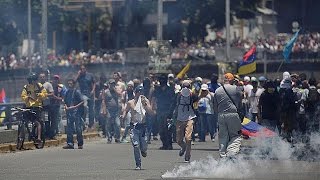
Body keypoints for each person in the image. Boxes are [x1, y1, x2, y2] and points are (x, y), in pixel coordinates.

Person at [121, 86, 154, 170]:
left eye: (141, 92)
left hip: (143, 127)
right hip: (134, 127)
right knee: (136, 146)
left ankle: (143, 150)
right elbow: (126, 110)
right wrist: (123, 117)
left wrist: (145, 105)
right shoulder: (130, 103)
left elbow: (151, 113)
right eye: (138, 92)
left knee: (143, 147)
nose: (139, 94)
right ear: (135, 93)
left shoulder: (145, 101)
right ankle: (138, 164)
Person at [168, 80, 198, 163]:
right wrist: (169, 116)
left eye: (187, 86)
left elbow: (197, 100)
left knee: (188, 138)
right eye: (184, 86)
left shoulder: (192, 95)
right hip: (179, 117)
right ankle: (183, 147)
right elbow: (173, 105)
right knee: (178, 140)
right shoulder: (178, 95)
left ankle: (187, 155)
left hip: (190, 117)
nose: (185, 88)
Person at [214, 73, 242, 158]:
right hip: (233, 114)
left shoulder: (217, 90)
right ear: (232, 80)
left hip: (221, 115)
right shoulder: (236, 88)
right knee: (235, 135)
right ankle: (232, 152)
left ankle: (223, 156)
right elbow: (241, 98)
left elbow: (215, 106)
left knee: (223, 136)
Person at [21, 72, 48, 145]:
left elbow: (45, 94)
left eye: (35, 79)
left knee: (37, 122)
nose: (34, 81)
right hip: (28, 106)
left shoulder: (39, 86)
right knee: (25, 120)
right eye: (32, 80)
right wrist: (27, 97)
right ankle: (27, 134)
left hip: (37, 106)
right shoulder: (26, 87)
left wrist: (39, 95)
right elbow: (23, 97)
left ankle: (39, 138)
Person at [152, 74, 175, 150]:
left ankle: (169, 145)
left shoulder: (170, 89)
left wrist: (171, 112)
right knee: (161, 129)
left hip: (168, 111)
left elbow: (173, 102)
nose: (162, 81)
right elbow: (154, 99)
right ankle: (164, 144)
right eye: (160, 79)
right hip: (159, 111)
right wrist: (153, 109)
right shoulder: (157, 89)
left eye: (163, 79)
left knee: (167, 129)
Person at [63, 79, 84, 149]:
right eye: (68, 84)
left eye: (71, 84)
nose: (69, 85)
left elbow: (82, 101)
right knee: (69, 129)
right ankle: (70, 143)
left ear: (74, 84)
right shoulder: (67, 92)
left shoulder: (77, 92)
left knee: (78, 128)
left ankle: (80, 143)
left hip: (76, 113)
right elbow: (65, 101)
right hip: (69, 113)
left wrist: (74, 107)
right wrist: (66, 106)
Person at [75, 65, 95, 129]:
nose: (82, 70)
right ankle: (84, 123)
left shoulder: (90, 75)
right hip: (83, 94)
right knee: (85, 107)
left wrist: (93, 90)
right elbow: (74, 82)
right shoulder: (79, 76)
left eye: (83, 69)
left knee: (91, 110)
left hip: (90, 94)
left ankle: (91, 124)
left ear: (85, 69)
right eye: (81, 69)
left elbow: (94, 83)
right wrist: (78, 75)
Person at [38, 71, 54, 139]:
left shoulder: (48, 84)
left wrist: (45, 95)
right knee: (40, 120)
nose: (42, 78)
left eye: (43, 77)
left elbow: (52, 94)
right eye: (41, 77)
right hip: (40, 105)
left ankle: (48, 135)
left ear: (45, 77)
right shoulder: (37, 85)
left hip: (47, 105)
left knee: (47, 120)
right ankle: (41, 135)